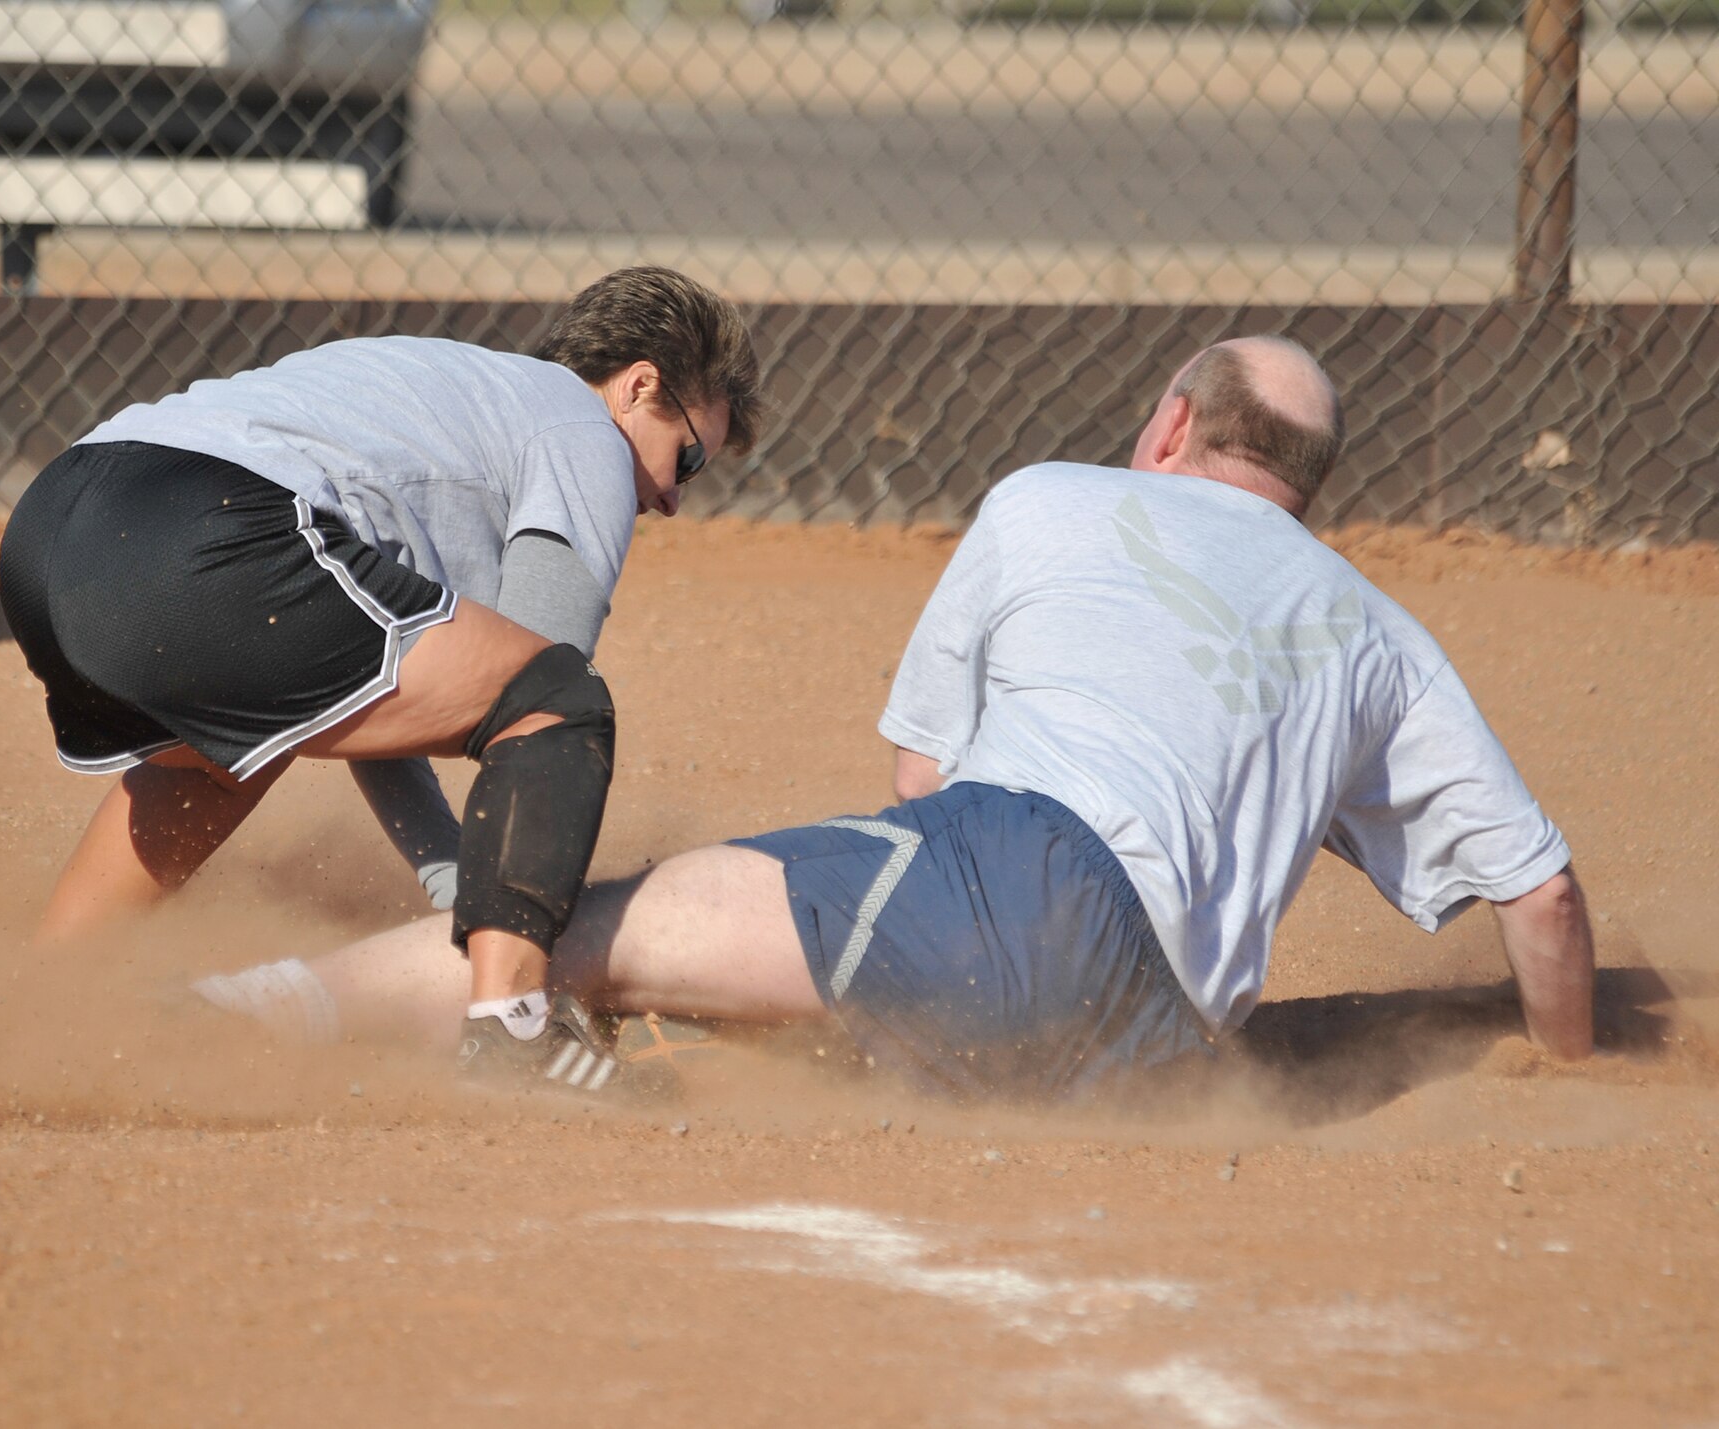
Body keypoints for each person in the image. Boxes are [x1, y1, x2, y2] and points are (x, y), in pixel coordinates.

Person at [193, 335, 1595, 1101]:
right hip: (1167, 1049)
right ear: (1307, 483)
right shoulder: (1377, 631)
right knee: (875, 988)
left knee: (572, 932)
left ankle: (230, 1021)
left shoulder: (1056, 495)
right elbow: (1538, 897)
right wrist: (1573, 1068)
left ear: (1173, 427)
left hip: (1018, 886)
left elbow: (925, 775)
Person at [0, 266, 764, 1090]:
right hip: (204, 532)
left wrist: (452, 879)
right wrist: (502, 918)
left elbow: (388, 681)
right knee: (560, 701)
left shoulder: (466, 398)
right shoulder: (582, 431)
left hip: (56, 527)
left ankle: (38, 1008)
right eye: (685, 459)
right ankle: (513, 1029)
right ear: (637, 386)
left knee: (229, 757)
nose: (674, 499)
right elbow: (538, 693)